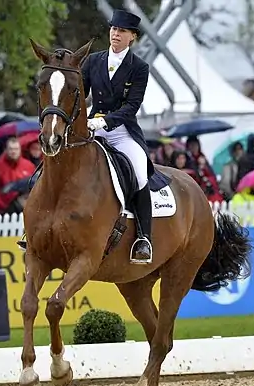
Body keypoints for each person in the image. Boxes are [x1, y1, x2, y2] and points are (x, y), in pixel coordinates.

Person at [82, 9, 154, 264]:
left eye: (121, 31)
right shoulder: (93, 61)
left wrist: (105, 121)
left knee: (139, 171)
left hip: (121, 131)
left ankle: (144, 238)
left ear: (132, 37)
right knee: (58, 154)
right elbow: (79, 94)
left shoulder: (139, 67)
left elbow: (131, 106)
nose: (115, 33)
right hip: (91, 125)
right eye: (113, 29)